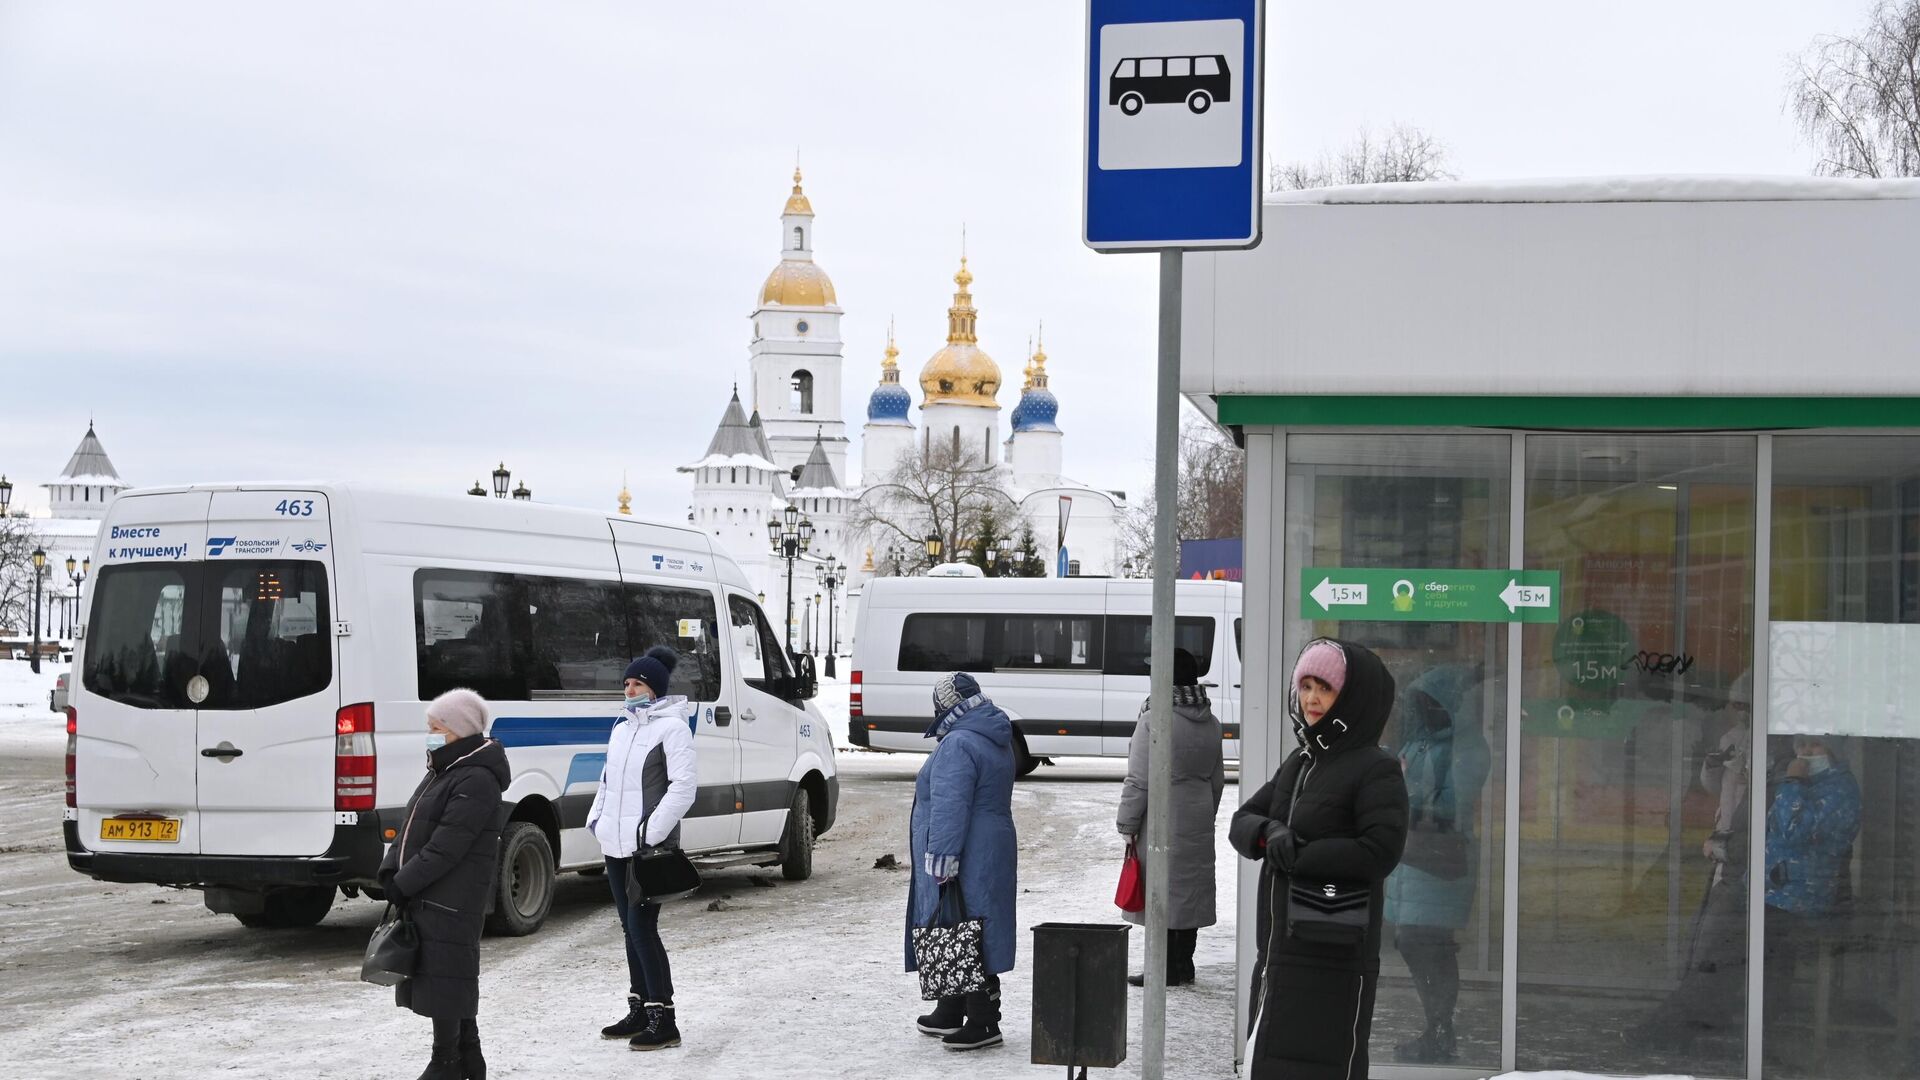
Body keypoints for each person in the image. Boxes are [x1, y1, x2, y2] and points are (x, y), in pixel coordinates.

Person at [1229, 638, 1409, 1080]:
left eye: (1324, 688)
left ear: (1351, 698)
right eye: (1305, 685)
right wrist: (1270, 833)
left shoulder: (1374, 768)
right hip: (1278, 952)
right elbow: (1242, 821)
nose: (1310, 698)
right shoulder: (1301, 762)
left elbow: (1379, 851)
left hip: (1333, 956)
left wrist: (1299, 855)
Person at [378, 688, 510, 1080]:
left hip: (453, 897)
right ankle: (468, 1057)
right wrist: (391, 870)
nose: (431, 735)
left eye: (438, 728)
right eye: (429, 728)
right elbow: (410, 826)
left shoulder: (476, 778)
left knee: (448, 978)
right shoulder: (444, 769)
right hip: (430, 893)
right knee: (446, 975)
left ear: (460, 731)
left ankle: (446, 1062)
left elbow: (448, 845)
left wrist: (406, 881)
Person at [587, 646, 697, 1052]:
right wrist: (596, 821)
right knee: (627, 928)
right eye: (627, 683)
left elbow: (683, 788)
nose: (630, 689)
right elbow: (606, 782)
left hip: (646, 850)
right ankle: (638, 1008)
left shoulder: (672, 729)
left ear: (655, 690)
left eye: (638, 683)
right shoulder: (622, 727)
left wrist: (649, 833)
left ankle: (662, 1018)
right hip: (615, 844)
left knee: (642, 928)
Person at [905, 672, 1018, 1051]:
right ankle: (950, 1008)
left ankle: (984, 1021)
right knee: (962, 925)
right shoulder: (991, 735)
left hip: (966, 849)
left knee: (965, 929)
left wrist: (942, 857)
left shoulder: (958, 743)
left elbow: (951, 807)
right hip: (989, 846)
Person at [1384, 666, 1491, 1063]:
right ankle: (1438, 1030)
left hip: (1440, 856)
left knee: (1427, 944)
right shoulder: (1419, 742)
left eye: (1430, 702)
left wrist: (1407, 794)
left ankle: (1441, 1031)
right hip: (1412, 858)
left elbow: (1452, 807)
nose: (1423, 710)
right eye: (1418, 703)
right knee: (1414, 942)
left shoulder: (1467, 747)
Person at [1115, 647, 1225, 987]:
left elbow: (1139, 779)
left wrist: (1127, 822)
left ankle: (1162, 968)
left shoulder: (1155, 719)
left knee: (1160, 893)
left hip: (1161, 817)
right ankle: (1183, 965)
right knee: (1187, 892)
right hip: (1197, 815)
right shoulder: (1211, 721)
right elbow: (1217, 779)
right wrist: (1205, 811)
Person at [1762, 732, 1861, 1028]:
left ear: (1832, 750)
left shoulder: (1840, 790)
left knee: (1738, 946)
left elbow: (1792, 831)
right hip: (1774, 890)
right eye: (1800, 744)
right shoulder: (1811, 783)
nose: (1805, 752)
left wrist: (1793, 783)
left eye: (1814, 744)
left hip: (1802, 898)